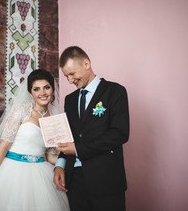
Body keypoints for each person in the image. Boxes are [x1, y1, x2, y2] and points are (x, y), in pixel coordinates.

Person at [0, 69, 69, 210]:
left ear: (53, 90)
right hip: (12, 170)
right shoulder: (21, 111)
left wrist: (69, 161)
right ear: (31, 93)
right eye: (37, 89)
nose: (42, 93)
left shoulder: (54, 120)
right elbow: (3, 147)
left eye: (46, 87)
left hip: (41, 174)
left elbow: (49, 155)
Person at [53, 46, 130, 211]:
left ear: (86, 63)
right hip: (75, 182)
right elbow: (70, 136)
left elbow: (120, 134)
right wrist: (60, 164)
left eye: (72, 74)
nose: (70, 80)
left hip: (106, 181)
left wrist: (79, 149)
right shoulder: (70, 100)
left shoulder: (115, 91)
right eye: (66, 76)